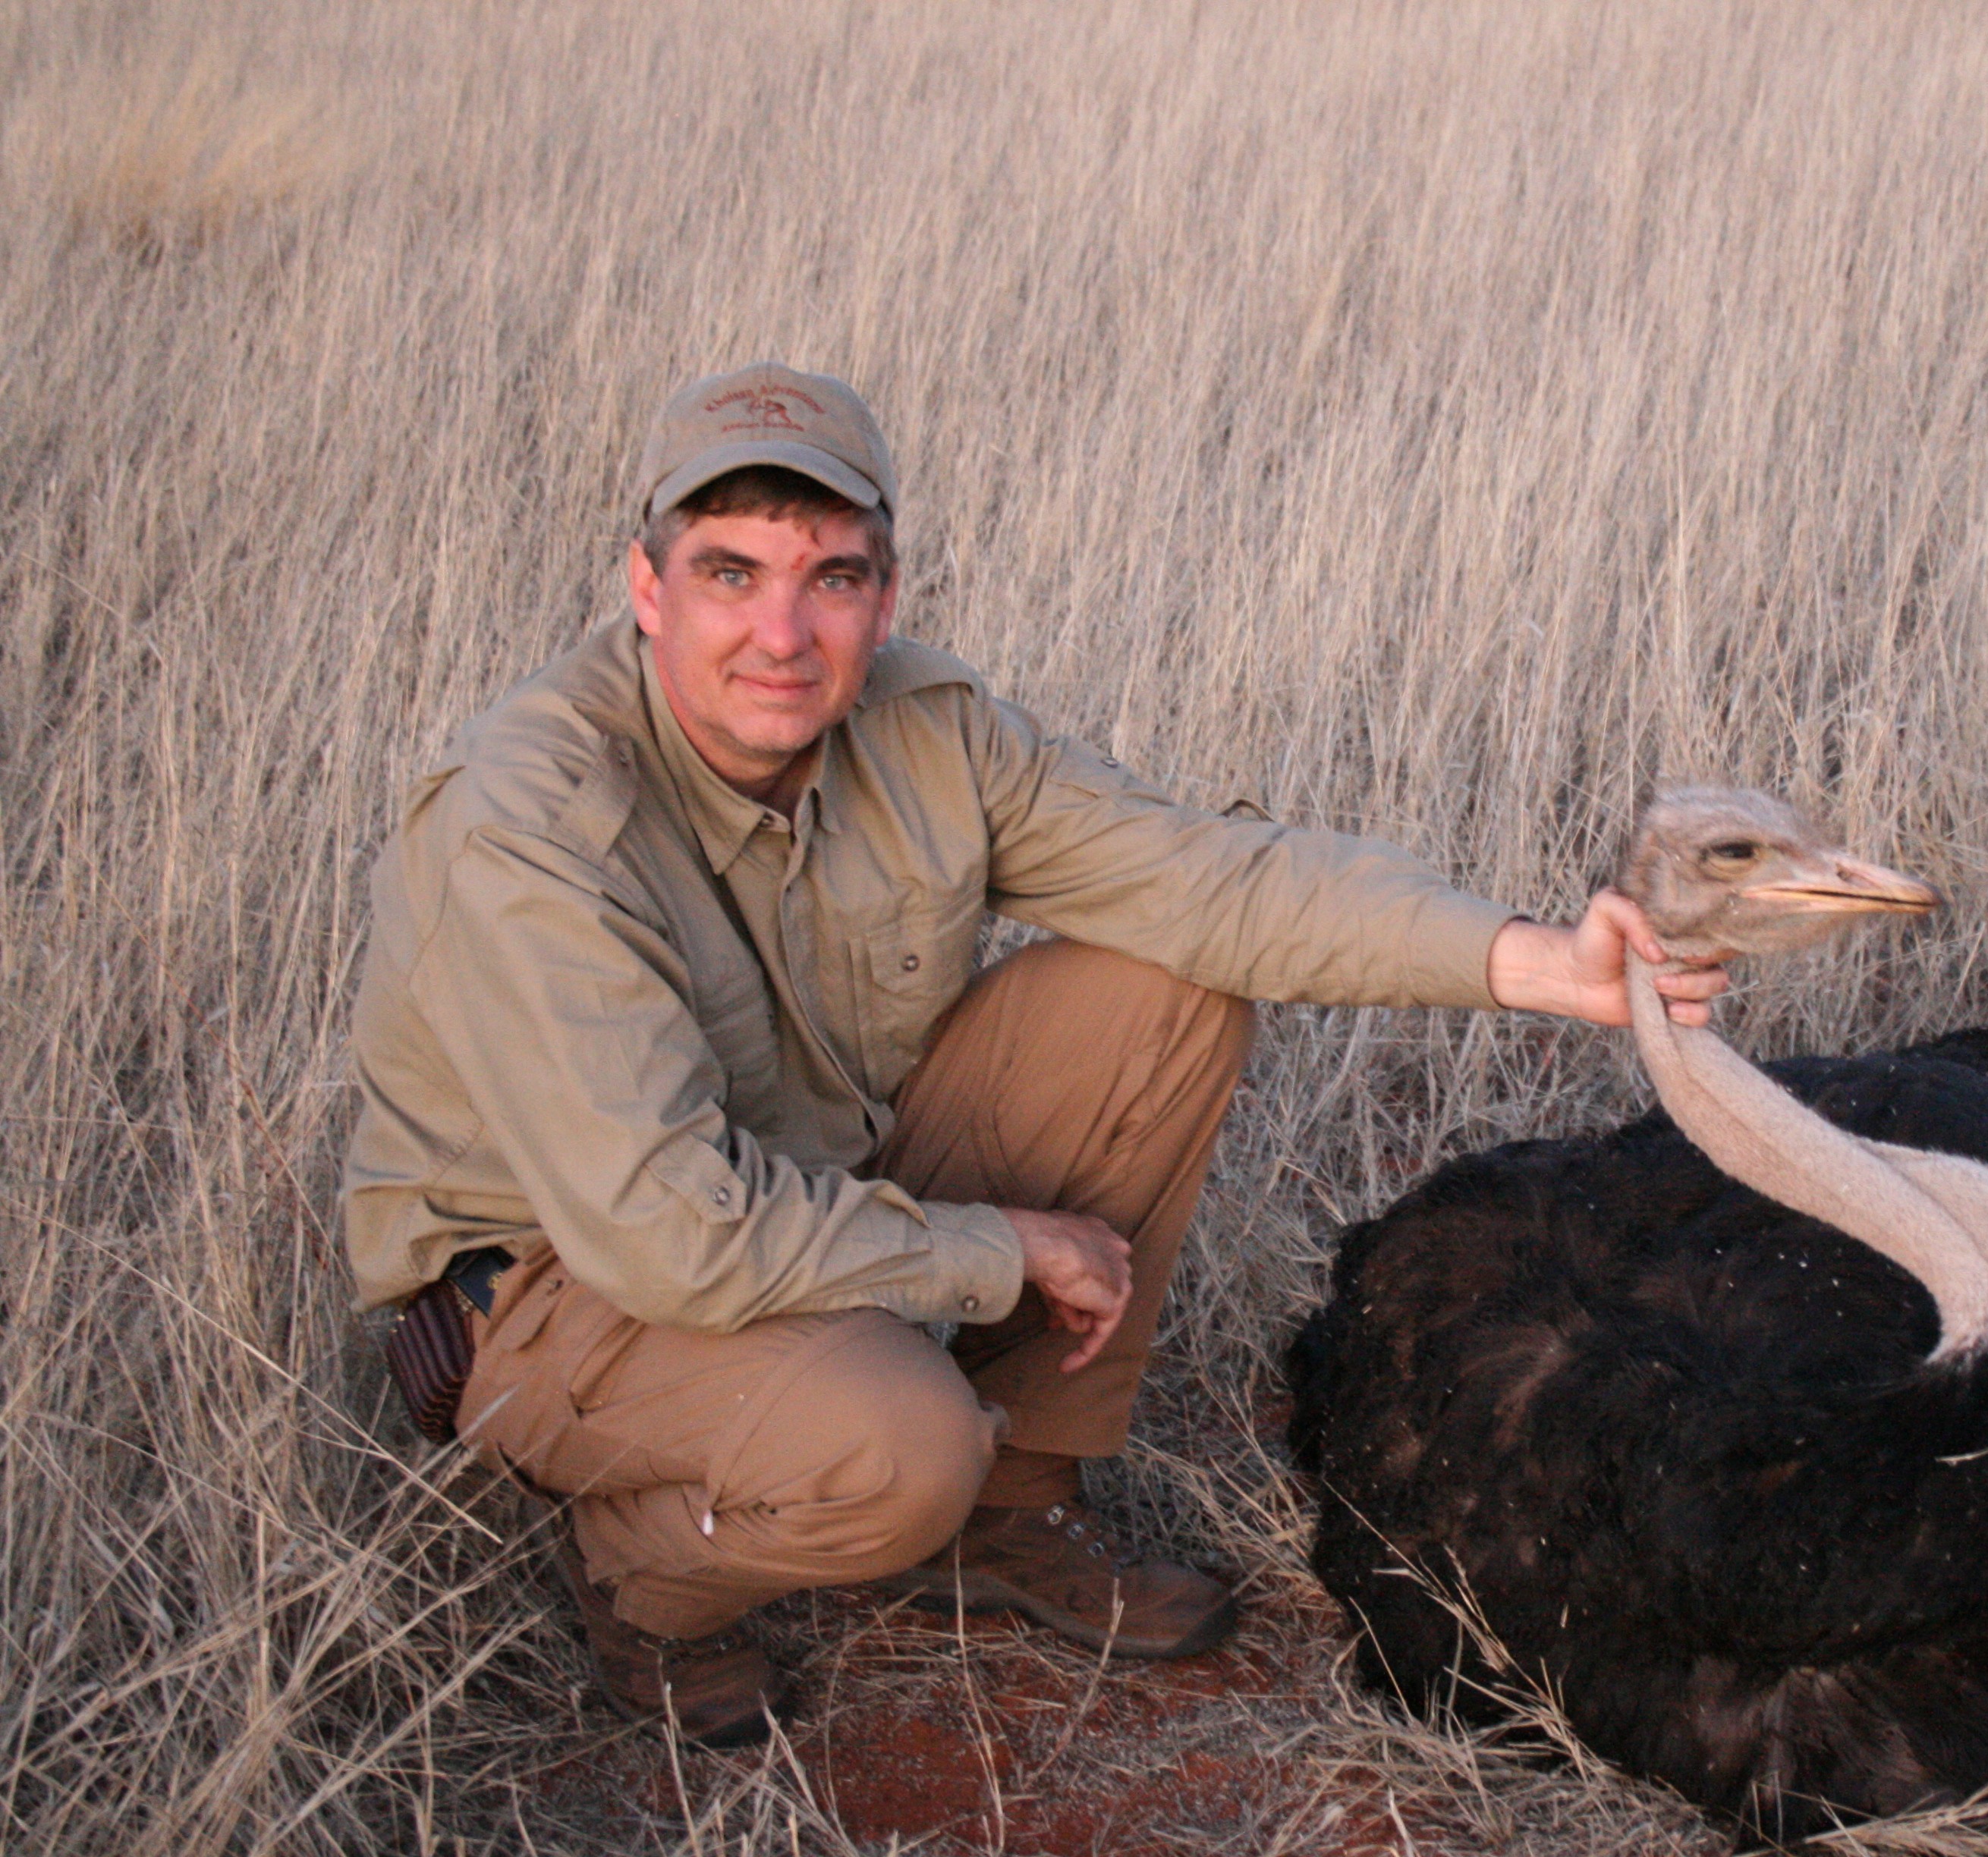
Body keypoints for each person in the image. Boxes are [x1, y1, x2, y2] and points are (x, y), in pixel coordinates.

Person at [343, 362, 1725, 1746]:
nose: (781, 631)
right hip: (560, 1279)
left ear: (885, 598)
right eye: (729, 573)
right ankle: (647, 1580)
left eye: (830, 577)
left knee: (1170, 986)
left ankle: (1006, 1518)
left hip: (796, 1183)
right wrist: (999, 1249)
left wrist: (1537, 961)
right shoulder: (529, 822)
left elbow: (1212, 883)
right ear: (646, 591)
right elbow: (664, 1233)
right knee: (902, 1445)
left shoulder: (923, 729)